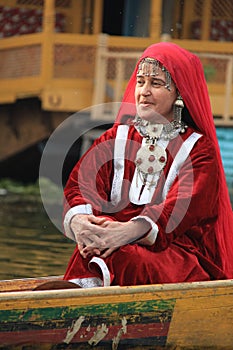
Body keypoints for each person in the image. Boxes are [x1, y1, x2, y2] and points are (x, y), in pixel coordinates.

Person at [61, 42, 233, 288]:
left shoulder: (198, 149)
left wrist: (126, 233)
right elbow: (80, 186)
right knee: (93, 251)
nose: (144, 91)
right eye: (141, 82)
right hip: (112, 243)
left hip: (177, 254)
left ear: (179, 92)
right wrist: (82, 223)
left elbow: (179, 209)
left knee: (122, 255)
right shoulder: (115, 138)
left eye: (156, 84)